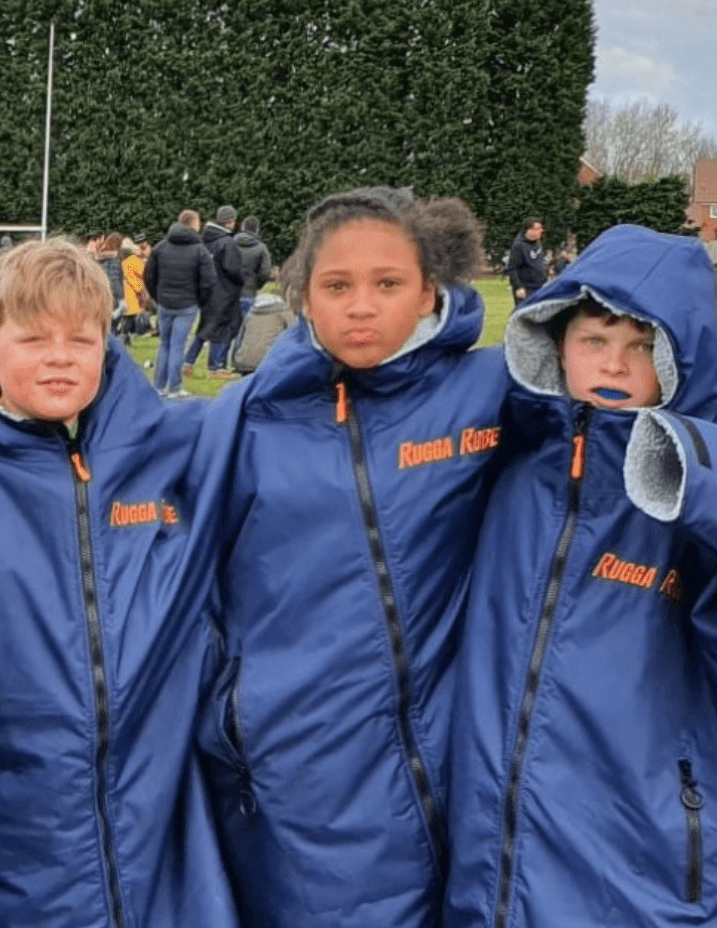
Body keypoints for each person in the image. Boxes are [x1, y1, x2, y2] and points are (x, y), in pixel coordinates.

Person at [440, 225, 717, 928]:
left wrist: (702, 480)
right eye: (594, 340)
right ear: (554, 343)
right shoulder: (505, 456)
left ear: (679, 358)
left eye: (642, 346)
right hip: (488, 848)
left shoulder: (714, 476)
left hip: (637, 846)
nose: (615, 364)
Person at [0, 239, 236, 928]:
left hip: (154, 821)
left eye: (82, 337)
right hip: (1, 828)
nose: (60, 355)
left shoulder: (173, 450)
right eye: (34, 337)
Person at [192, 187, 508, 928]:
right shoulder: (246, 419)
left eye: (387, 284)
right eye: (338, 286)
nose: (361, 306)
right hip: (299, 771)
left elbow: (631, 408)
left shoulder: (492, 394)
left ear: (433, 288)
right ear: (302, 295)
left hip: (457, 762)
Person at [143, 209, 214, 398]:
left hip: (165, 303)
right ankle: (174, 387)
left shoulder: (160, 247)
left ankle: (158, 386)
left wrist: (157, 297)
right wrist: (200, 300)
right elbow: (208, 280)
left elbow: (149, 276)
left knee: (164, 344)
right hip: (187, 304)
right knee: (177, 345)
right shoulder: (200, 250)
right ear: (192, 224)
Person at [185, 207, 246, 380]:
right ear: (230, 221)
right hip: (225, 291)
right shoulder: (227, 242)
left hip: (206, 290)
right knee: (224, 328)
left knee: (205, 327)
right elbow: (232, 268)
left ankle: (188, 361)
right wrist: (243, 278)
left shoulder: (204, 240)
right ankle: (216, 367)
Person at [228, 290, 292, 375]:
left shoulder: (251, 313)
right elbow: (298, 335)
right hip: (269, 364)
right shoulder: (284, 312)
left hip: (244, 363)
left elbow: (239, 339)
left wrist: (235, 362)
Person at [505, 218, 548, 300]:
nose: (541, 231)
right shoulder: (519, 246)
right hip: (526, 289)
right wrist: (518, 287)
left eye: (541, 229)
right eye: (538, 229)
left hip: (540, 286)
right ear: (529, 230)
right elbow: (512, 268)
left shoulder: (538, 244)